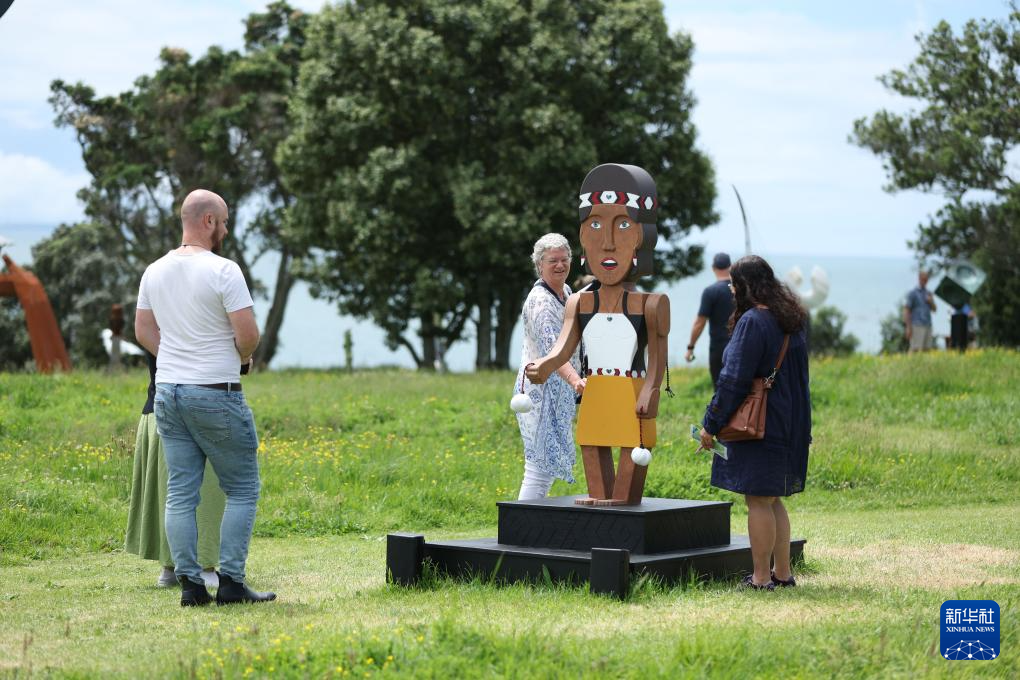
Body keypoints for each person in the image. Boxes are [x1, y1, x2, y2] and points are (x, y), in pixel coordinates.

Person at [135, 189, 275, 607]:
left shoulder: (154, 271)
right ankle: (231, 583)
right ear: (209, 220)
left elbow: (143, 330)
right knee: (243, 487)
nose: (226, 231)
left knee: (181, 491)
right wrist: (242, 358)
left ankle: (191, 588)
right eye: (225, 222)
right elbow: (247, 335)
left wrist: (177, 355)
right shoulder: (224, 270)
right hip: (215, 393)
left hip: (168, 393)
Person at [527, 163, 670, 506]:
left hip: (631, 387)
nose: (607, 243)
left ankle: (622, 498)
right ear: (582, 236)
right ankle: (600, 497)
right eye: (594, 225)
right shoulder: (579, 302)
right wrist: (545, 365)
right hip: (595, 389)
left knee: (633, 443)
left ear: (641, 237)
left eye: (622, 226)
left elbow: (658, 356)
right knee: (591, 440)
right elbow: (564, 346)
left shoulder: (649, 304)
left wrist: (651, 388)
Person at [698, 255, 811, 590]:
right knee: (772, 498)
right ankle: (782, 573)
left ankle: (761, 578)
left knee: (758, 500)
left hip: (760, 425)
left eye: (734, 285)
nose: (732, 291)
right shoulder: (790, 319)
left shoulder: (751, 322)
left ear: (745, 285)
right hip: (789, 421)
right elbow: (801, 380)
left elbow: (733, 380)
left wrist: (710, 423)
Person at [124, 351, 226, 589]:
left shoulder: (157, 325)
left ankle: (170, 568)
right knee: (204, 492)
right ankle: (202, 568)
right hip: (196, 408)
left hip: (159, 408)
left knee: (171, 493)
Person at [513, 234, 586, 500]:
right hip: (540, 392)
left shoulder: (566, 292)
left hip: (559, 391)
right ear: (539, 265)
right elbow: (552, 351)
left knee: (544, 470)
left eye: (564, 259)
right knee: (538, 469)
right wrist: (576, 380)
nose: (560, 265)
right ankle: (523, 522)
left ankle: (531, 521)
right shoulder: (541, 301)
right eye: (553, 260)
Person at [685, 252, 734, 387]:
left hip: (719, 348)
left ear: (713, 268)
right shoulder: (740, 289)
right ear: (730, 267)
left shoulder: (710, 292)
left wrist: (690, 347)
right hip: (740, 346)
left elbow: (699, 323)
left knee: (719, 389)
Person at [903, 270, 936, 353]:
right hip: (916, 325)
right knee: (915, 349)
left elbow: (934, 309)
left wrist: (931, 301)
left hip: (928, 324)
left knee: (927, 350)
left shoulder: (929, 293)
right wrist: (908, 327)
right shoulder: (913, 293)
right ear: (919, 279)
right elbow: (907, 310)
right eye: (923, 279)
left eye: (926, 279)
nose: (925, 281)